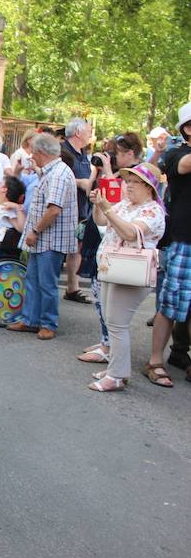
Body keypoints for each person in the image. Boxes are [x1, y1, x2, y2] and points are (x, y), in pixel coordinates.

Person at [85, 163, 165, 391]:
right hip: (113, 268)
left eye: (134, 182)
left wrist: (107, 208)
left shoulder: (152, 211)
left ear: (149, 187)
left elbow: (130, 232)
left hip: (130, 273)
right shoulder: (127, 205)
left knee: (117, 324)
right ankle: (116, 368)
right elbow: (101, 221)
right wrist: (98, 205)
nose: (128, 185)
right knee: (113, 322)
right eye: (127, 181)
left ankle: (117, 375)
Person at [6, 133, 78, 340]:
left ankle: (47, 323)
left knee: (46, 283)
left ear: (42, 153)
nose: (32, 157)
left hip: (49, 238)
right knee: (34, 280)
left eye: (33, 153)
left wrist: (35, 231)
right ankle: (30, 320)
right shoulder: (53, 171)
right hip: (44, 238)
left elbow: (53, 210)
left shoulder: (57, 175)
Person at [146, 102, 191, 386]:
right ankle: (154, 361)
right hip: (184, 241)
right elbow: (185, 166)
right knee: (169, 304)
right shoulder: (178, 153)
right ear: (187, 128)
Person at [62, 118, 96, 304]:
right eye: (88, 130)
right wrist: (80, 183)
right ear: (77, 133)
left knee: (75, 248)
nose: (91, 134)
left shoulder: (82, 153)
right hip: (63, 207)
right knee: (63, 248)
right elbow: (53, 174)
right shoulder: (63, 151)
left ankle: (72, 288)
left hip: (80, 208)